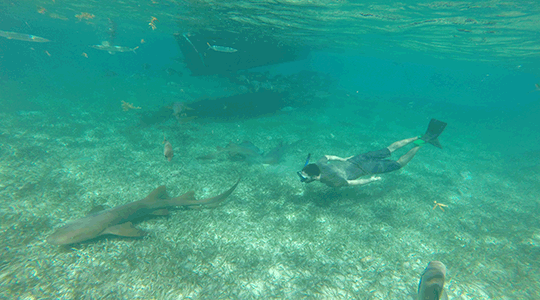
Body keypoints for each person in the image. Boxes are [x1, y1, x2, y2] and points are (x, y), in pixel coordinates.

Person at [297, 119, 447, 187]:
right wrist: (343, 158)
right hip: (357, 158)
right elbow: (328, 156)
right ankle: (419, 136)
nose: (304, 180)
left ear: (314, 176)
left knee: (399, 163)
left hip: (366, 168)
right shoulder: (319, 163)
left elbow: (353, 182)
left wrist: (371, 180)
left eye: (305, 178)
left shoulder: (330, 181)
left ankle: (426, 139)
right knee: (389, 149)